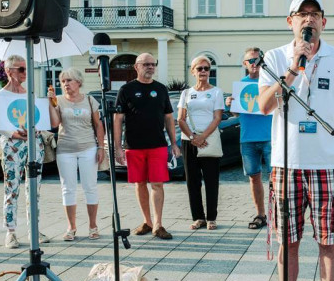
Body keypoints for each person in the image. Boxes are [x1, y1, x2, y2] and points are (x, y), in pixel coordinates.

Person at [257, 0, 334, 281]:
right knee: (288, 244)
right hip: (285, 166)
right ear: (290, 22)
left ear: (323, 22)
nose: (308, 19)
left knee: (328, 242)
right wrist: (292, 68)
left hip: (327, 167)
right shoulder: (274, 58)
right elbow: (264, 106)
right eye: (301, 14)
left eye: (314, 13)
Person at [114, 53, 180, 240]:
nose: (150, 67)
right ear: (137, 67)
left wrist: (173, 143)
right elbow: (118, 119)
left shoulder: (160, 89)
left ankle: (158, 224)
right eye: (146, 64)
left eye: (153, 64)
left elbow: (168, 117)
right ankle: (147, 221)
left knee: (157, 184)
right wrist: (118, 147)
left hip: (157, 144)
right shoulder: (126, 90)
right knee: (140, 183)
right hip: (134, 146)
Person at [0, 55, 50, 249]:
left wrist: (38, 129)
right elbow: (0, 125)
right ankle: (10, 232)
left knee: (34, 189)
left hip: (34, 145)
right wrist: (17, 134)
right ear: (9, 71)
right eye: (21, 69)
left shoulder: (30, 93)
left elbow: (37, 119)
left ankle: (34, 229)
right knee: (12, 187)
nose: (25, 73)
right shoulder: (2, 95)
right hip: (12, 146)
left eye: (26, 69)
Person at [48, 68, 105, 241]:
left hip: (88, 148)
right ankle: (71, 227)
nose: (65, 84)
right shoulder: (58, 101)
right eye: (63, 81)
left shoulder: (89, 100)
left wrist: (101, 147)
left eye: (69, 80)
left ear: (78, 82)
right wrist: (51, 104)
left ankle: (93, 226)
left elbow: (98, 125)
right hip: (65, 149)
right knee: (68, 189)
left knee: (90, 187)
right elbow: (55, 123)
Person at [225, 47, 272, 230]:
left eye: (256, 60)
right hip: (248, 138)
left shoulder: (270, 82)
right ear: (244, 64)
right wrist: (230, 104)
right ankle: (261, 214)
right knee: (254, 178)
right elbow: (236, 113)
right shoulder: (241, 84)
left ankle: (277, 213)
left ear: (262, 61)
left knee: (275, 178)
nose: (254, 64)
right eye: (249, 61)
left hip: (269, 137)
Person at [177, 56, 224, 231]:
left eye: (206, 68)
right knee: (192, 181)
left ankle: (211, 217)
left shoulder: (216, 92)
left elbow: (217, 117)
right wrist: (192, 137)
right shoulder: (186, 93)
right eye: (200, 69)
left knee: (211, 180)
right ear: (193, 71)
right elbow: (180, 119)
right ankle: (198, 217)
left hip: (209, 139)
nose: (203, 72)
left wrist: (202, 136)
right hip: (189, 140)